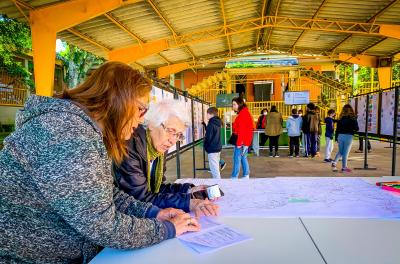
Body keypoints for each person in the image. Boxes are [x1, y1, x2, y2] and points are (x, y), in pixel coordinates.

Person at [0, 62, 200, 263]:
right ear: (117, 100)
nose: (140, 121)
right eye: (140, 109)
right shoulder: (66, 133)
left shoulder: (82, 131)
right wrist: (167, 229)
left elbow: (107, 196)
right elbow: (101, 224)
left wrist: (154, 213)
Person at [114, 99, 219, 217]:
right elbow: (140, 198)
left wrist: (189, 190)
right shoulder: (130, 146)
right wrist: (188, 202)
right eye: (170, 131)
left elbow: (156, 189)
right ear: (152, 124)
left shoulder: (157, 148)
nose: (173, 140)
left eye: (178, 135)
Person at [231, 97, 254, 179]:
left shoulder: (243, 114)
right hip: (244, 141)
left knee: (237, 159)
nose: (233, 106)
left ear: (239, 104)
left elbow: (242, 130)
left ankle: (234, 176)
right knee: (243, 158)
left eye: (234, 104)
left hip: (241, 141)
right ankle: (246, 174)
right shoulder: (244, 113)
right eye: (232, 104)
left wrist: (239, 143)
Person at [331, 104, 359, 173]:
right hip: (348, 136)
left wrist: (336, 138)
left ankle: (334, 162)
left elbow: (337, 129)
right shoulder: (353, 118)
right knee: (345, 153)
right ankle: (344, 168)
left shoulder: (341, 118)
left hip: (340, 136)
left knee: (341, 151)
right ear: (351, 110)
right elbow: (356, 128)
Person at [204, 107, 223, 179]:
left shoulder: (211, 123)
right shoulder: (217, 122)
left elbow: (208, 137)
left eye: (207, 114)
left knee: (215, 171)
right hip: (217, 147)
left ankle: (218, 186)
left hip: (212, 149)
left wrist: (206, 146)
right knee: (216, 168)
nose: (206, 116)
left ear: (211, 114)